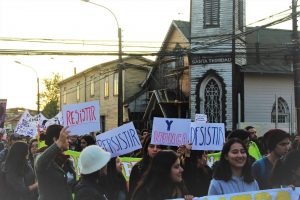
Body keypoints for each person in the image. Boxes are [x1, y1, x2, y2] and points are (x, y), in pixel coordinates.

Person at [35, 125, 73, 200]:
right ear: (55, 139)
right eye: (66, 138)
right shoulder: (41, 157)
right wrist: (59, 143)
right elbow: (40, 163)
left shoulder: (67, 160)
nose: (69, 141)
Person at [128, 133, 162, 199]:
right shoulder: (137, 167)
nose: (155, 149)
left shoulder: (167, 166)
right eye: (151, 146)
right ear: (146, 148)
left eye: (158, 147)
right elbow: (132, 192)